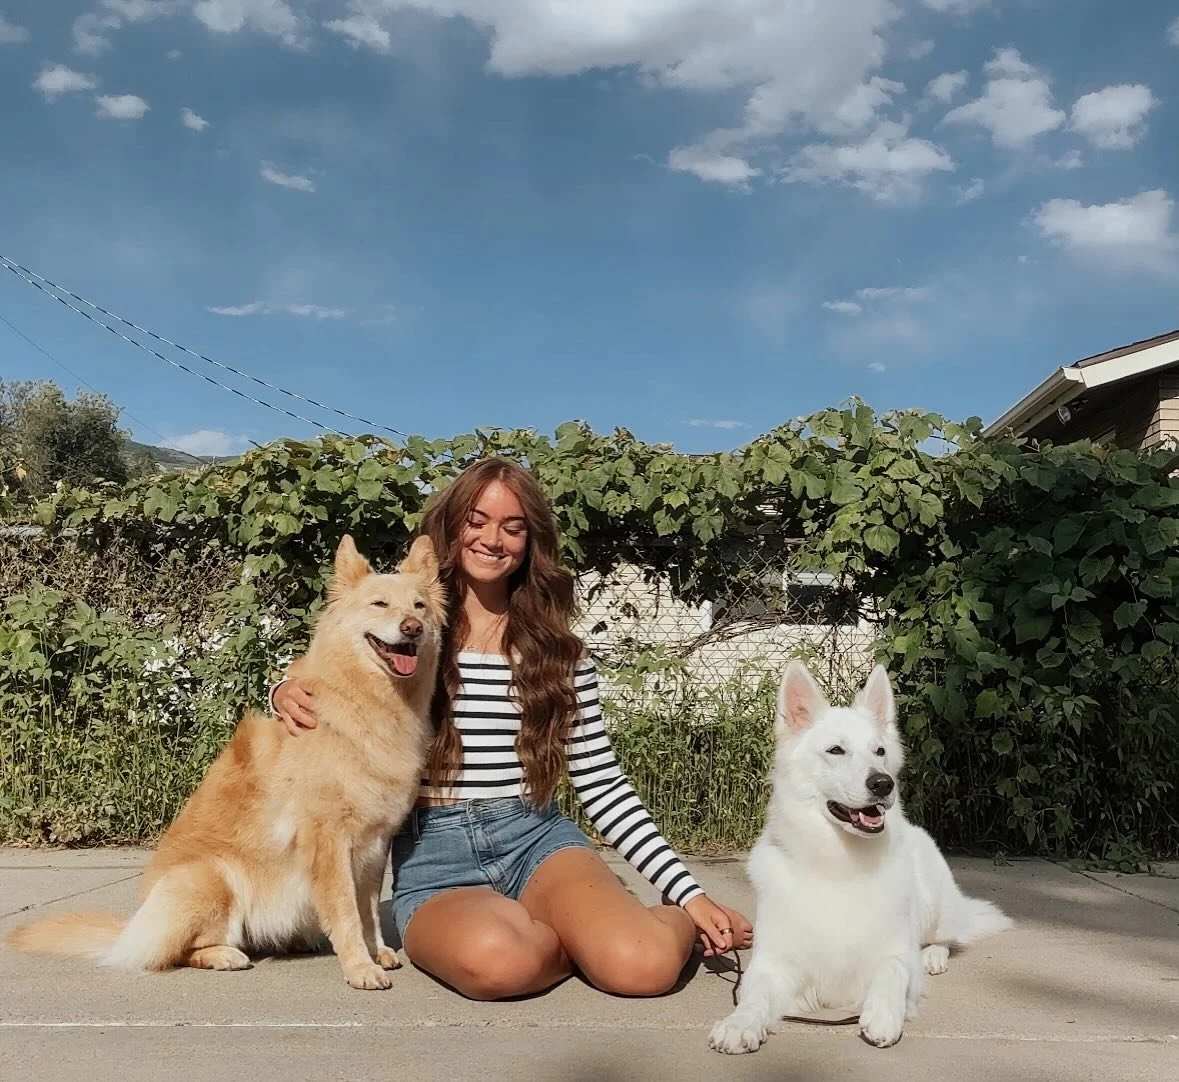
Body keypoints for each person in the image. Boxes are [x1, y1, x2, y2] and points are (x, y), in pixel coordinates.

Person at [271, 458, 753, 1000]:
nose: (492, 540)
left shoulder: (557, 653)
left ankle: (644, 929)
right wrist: (279, 691)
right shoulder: (407, 631)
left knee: (642, 967)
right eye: (476, 521)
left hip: (535, 838)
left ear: (531, 542)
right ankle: (581, 935)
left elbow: (601, 782)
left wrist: (688, 895)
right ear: (452, 527)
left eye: (513, 526)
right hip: (435, 854)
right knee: (499, 966)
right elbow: (326, 672)